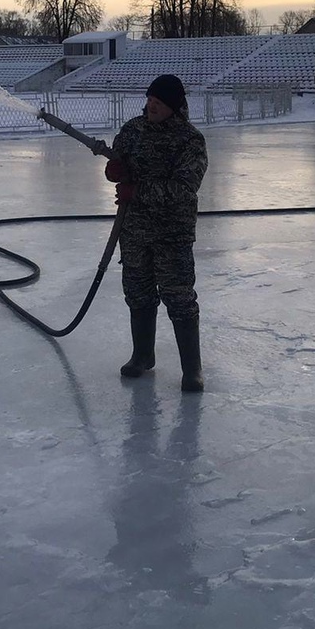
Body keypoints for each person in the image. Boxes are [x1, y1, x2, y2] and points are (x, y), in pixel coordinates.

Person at [104, 74, 208, 392]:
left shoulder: (190, 140)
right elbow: (119, 164)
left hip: (171, 233)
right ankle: (142, 356)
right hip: (133, 230)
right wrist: (113, 171)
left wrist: (138, 190)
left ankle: (192, 370)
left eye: (158, 102)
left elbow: (183, 187)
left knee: (179, 298)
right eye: (149, 100)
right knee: (138, 294)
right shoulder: (133, 130)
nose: (151, 106)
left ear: (174, 107)